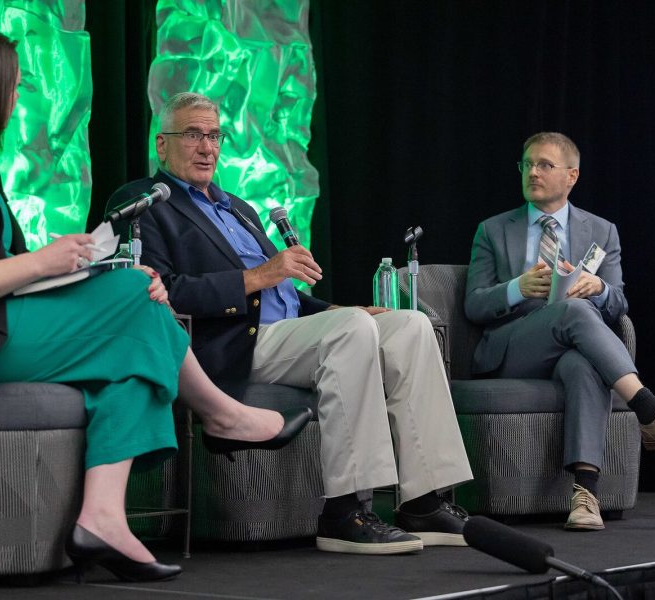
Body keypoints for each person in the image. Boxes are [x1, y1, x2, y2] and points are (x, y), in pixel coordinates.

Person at [0, 24, 310, 582]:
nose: (14, 98)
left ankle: (103, 518)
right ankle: (222, 415)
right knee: (138, 298)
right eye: (10, 86)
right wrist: (41, 262)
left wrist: (79, 265)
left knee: (137, 328)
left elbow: (0, 260)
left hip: (0, 320)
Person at [109, 92, 474, 555]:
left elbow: (284, 294)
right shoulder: (143, 203)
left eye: (214, 136)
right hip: (227, 343)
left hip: (286, 336)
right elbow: (161, 291)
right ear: (162, 145)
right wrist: (261, 274)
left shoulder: (239, 208)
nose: (206, 147)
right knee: (351, 332)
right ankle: (346, 511)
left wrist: (337, 310)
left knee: (411, 326)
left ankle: (425, 500)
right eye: (193, 135)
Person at [465, 131, 655, 531]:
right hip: (512, 348)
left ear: (572, 175)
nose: (533, 172)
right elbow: (473, 305)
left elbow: (619, 303)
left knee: (583, 362)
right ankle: (649, 409)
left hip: (571, 344)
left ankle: (585, 495)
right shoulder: (493, 230)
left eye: (544, 165)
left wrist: (599, 288)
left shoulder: (601, 231)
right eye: (527, 164)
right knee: (575, 313)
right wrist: (516, 288)